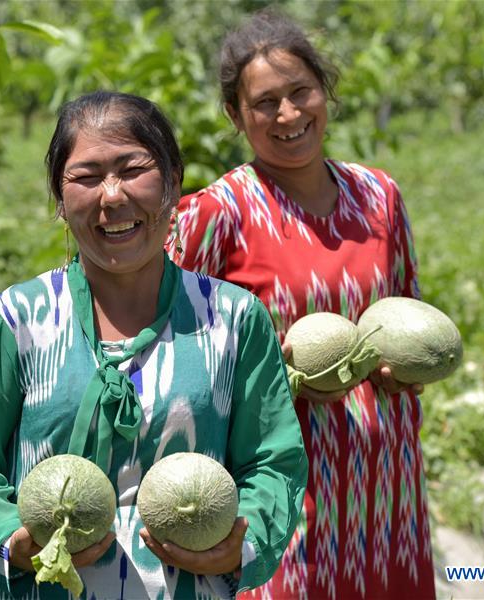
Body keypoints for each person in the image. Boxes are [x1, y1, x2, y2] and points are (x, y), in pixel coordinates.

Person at [0, 91, 306, 599]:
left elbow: (272, 462)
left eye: (132, 170)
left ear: (174, 182)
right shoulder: (15, 321)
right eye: (85, 177)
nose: (111, 196)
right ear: (60, 201)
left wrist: (244, 538)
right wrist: (12, 542)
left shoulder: (235, 320)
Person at [167, 10, 436, 600]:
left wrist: (406, 367)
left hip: (385, 488)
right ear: (236, 117)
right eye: (265, 103)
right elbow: (167, 361)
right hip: (281, 492)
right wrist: (283, 382)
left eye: (300, 92)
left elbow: (405, 310)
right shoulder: (217, 215)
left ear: (326, 92)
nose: (288, 115)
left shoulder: (379, 195)